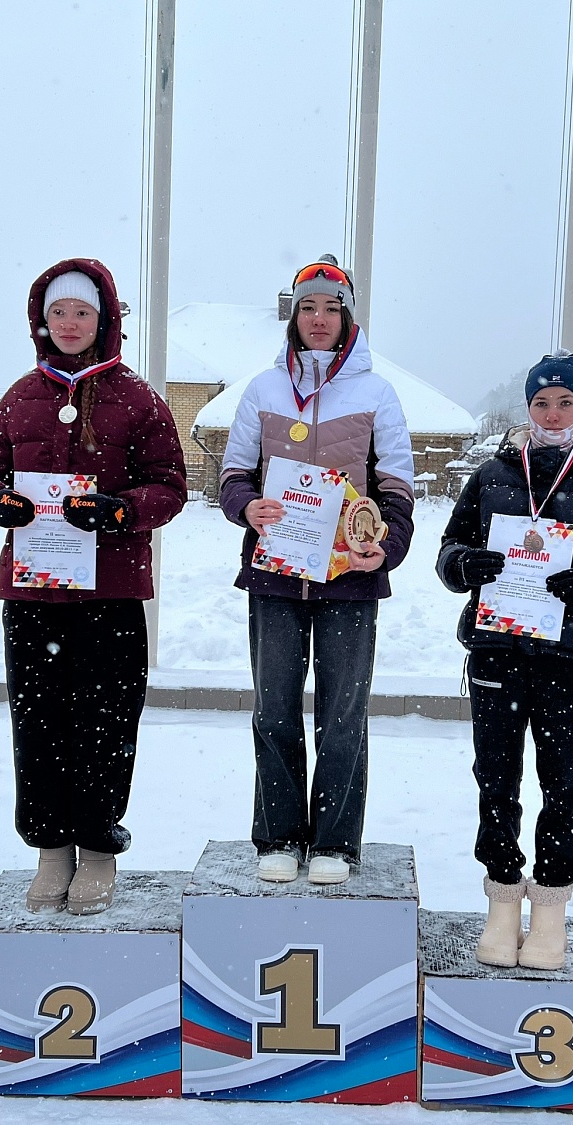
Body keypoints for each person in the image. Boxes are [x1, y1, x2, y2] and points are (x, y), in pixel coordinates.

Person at [0, 258, 187, 915]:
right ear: (43, 318)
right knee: (38, 723)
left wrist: (122, 510)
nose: (70, 323)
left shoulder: (138, 399)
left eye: (83, 313)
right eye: (59, 311)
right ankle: (49, 848)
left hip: (110, 597)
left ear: (105, 320)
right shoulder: (19, 397)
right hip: (34, 597)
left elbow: (171, 486)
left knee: (106, 723)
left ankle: (96, 850)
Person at [436, 353, 573, 970]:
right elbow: (449, 549)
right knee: (496, 779)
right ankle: (503, 900)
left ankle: (552, 908)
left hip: (569, 655)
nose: (552, 413)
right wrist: (464, 567)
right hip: (496, 651)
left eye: (565, 402)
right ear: (526, 409)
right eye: (541, 403)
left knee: (562, 782)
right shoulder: (491, 474)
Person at [218, 256, 415, 886]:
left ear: (348, 317)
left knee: (343, 712)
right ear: (293, 315)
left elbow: (397, 487)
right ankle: (278, 834)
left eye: (332, 308)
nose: (320, 319)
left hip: (350, 580)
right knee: (273, 707)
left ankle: (334, 841)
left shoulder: (375, 392)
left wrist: (386, 547)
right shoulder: (263, 389)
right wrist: (246, 506)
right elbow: (231, 475)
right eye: (309, 307)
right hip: (277, 573)